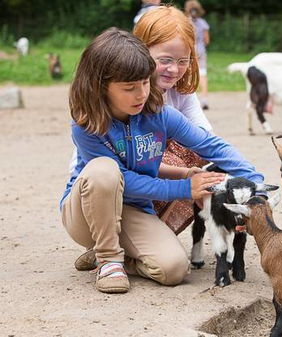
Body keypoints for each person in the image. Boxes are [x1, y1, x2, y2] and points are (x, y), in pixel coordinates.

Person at [60, 27, 264, 294]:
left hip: (132, 211)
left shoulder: (159, 114)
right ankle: (109, 259)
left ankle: (124, 258)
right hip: (86, 215)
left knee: (173, 269)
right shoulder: (86, 125)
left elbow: (210, 144)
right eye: (129, 88)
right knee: (104, 171)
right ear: (100, 87)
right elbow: (124, 179)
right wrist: (183, 187)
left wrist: (255, 182)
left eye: (145, 83)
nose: (141, 94)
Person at [133, 5, 212, 235]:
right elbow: (131, 157)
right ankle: (124, 236)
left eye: (182, 61)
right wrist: (187, 176)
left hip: (153, 171)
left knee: (200, 162)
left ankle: (158, 235)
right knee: (183, 165)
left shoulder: (181, 91)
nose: (174, 69)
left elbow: (206, 138)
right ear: (142, 51)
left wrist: (238, 175)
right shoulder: (128, 92)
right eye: (165, 60)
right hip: (122, 178)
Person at [184, 0, 210, 110]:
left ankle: (189, 99)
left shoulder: (185, 22)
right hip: (201, 50)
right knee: (202, 73)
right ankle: (204, 99)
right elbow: (207, 40)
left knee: (188, 74)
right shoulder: (203, 23)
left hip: (189, 50)